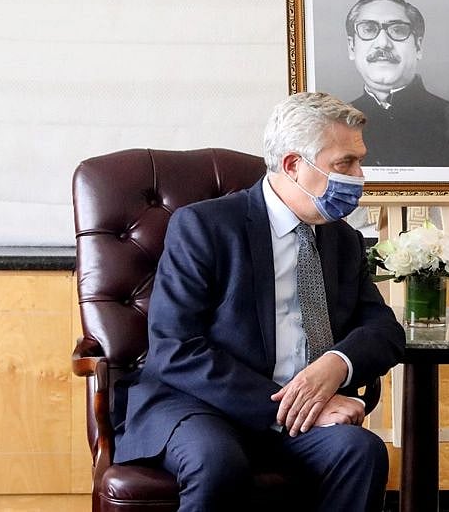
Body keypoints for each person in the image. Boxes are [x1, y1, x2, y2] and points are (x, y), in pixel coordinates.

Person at [113, 92, 406, 511]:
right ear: (293, 165)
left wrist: (335, 365)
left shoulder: (342, 239)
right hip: (199, 405)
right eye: (345, 164)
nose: (360, 177)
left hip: (305, 415)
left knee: (360, 452)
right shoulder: (205, 227)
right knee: (216, 462)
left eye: (360, 161)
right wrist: (293, 405)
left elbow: (385, 332)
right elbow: (176, 350)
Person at [345, 0, 449, 168]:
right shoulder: (331, 125)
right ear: (352, 47)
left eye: (398, 30)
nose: (382, 43)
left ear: (418, 46)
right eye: (369, 29)